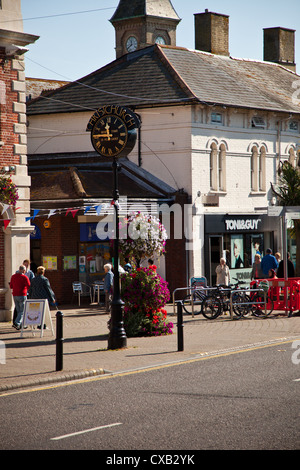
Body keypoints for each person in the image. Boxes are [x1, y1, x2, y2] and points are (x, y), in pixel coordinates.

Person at [9, 265, 31, 329]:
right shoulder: (24, 277)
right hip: (22, 294)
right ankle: (17, 322)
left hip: (15, 294)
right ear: (24, 271)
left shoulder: (13, 276)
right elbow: (29, 285)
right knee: (23, 311)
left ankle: (21, 325)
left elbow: (11, 286)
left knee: (19, 310)